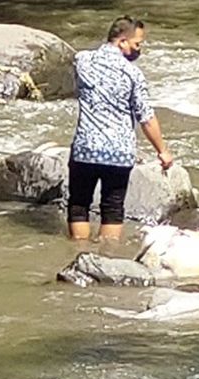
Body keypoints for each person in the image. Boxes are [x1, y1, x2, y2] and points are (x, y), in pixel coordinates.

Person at [67, 16, 173, 241]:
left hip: (86, 148)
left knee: (78, 204)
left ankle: (78, 253)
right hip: (118, 153)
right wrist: (162, 150)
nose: (139, 49)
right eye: (137, 44)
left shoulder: (83, 60)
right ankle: (107, 258)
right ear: (122, 42)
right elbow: (146, 117)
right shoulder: (133, 74)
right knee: (112, 207)